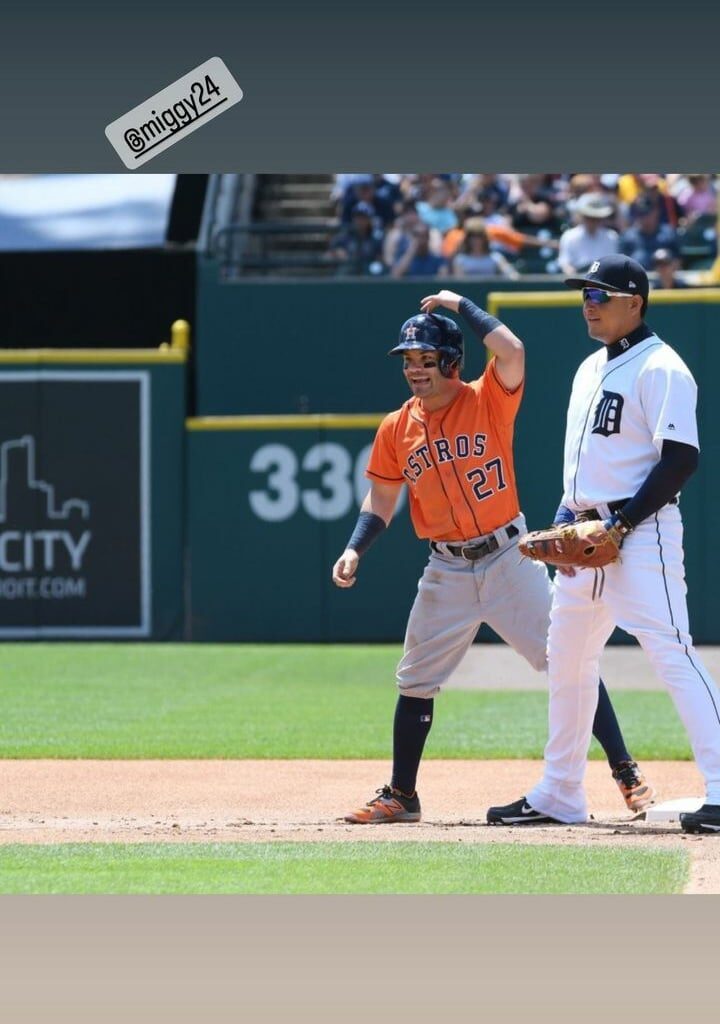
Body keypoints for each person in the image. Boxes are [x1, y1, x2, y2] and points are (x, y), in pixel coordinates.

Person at [331, 288, 655, 824]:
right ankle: (402, 795)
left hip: (509, 558)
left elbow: (513, 350)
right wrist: (354, 547)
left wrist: (459, 304)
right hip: (446, 568)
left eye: (426, 359)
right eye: (408, 360)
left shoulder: (486, 397)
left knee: (566, 660)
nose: (415, 369)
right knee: (414, 678)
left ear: (452, 362)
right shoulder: (396, 427)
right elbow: (382, 498)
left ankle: (625, 770)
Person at [487, 255, 720, 834]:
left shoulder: (663, 368)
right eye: (584, 294)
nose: (588, 303)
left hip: (640, 535)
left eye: (600, 294)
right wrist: (568, 520)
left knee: (672, 653)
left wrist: (620, 526)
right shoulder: (590, 367)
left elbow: (681, 458)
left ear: (634, 302)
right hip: (584, 539)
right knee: (567, 658)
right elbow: (583, 466)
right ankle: (560, 790)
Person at [558, 192, 619, 276]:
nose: (594, 221)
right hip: (578, 280)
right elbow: (565, 263)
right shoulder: (569, 236)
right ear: (582, 216)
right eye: (590, 217)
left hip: (603, 281)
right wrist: (574, 277)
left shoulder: (611, 236)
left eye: (597, 218)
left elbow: (613, 264)